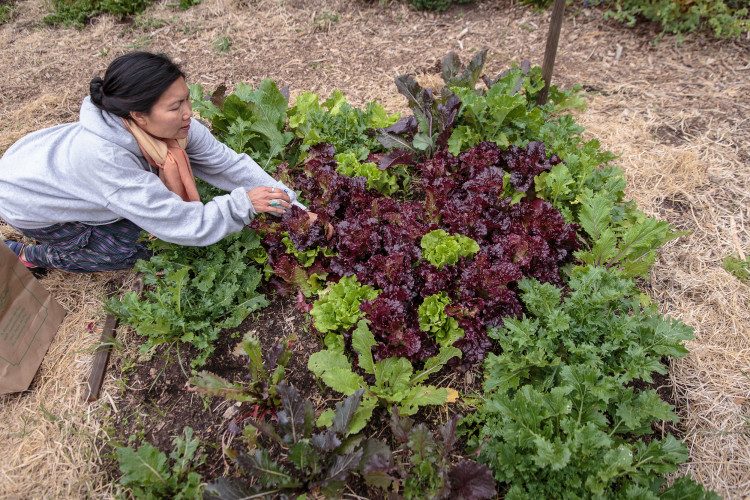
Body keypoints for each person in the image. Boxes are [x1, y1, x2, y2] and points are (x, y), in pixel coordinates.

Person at [0, 51, 316, 272]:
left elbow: (226, 164)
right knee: (139, 247)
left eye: (187, 99)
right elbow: (181, 224)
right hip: (26, 198)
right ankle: (30, 254)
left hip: (39, 162)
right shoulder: (106, 159)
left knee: (143, 222)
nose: (188, 112)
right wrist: (242, 205)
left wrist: (295, 208)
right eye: (176, 106)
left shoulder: (172, 127)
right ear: (138, 115)